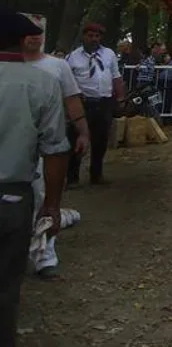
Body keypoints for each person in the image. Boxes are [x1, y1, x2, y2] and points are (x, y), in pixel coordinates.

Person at [1, 9, 71, 343]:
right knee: (6, 285)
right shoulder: (42, 84)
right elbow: (55, 149)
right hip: (13, 197)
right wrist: (52, 206)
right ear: (21, 40)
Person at [21, 17, 88, 278]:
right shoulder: (6, 65)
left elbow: (72, 100)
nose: (35, 37)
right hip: (12, 143)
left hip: (46, 144)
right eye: (28, 32)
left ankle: (44, 253)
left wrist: (82, 130)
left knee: (44, 198)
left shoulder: (57, 66)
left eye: (39, 32)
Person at [65, 21, 125, 185]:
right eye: (90, 36)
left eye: (97, 36)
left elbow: (116, 76)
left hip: (104, 102)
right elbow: (66, 82)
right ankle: (72, 177)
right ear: (83, 36)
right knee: (76, 139)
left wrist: (120, 98)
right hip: (82, 103)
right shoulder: (72, 57)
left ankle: (96, 175)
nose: (94, 39)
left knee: (101, 140)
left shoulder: (109, 54)